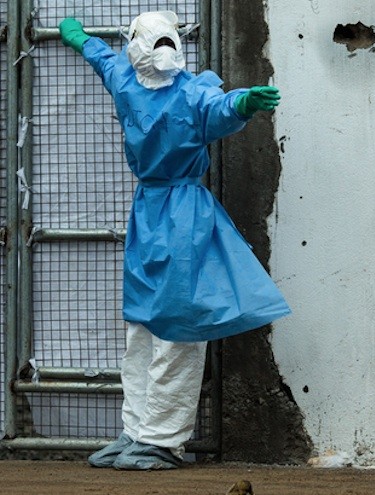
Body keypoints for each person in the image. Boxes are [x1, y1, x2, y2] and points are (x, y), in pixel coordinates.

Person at [58, 11, 291, 470]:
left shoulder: (191, 91)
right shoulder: (128, 82)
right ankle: (136, 430)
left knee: (177, 328)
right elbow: (103, 59)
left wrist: (243, 103)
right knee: (141, 326)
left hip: (184, 216)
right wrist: (80, 39)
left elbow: (217, 109)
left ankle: (163, 439)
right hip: (149, 213)